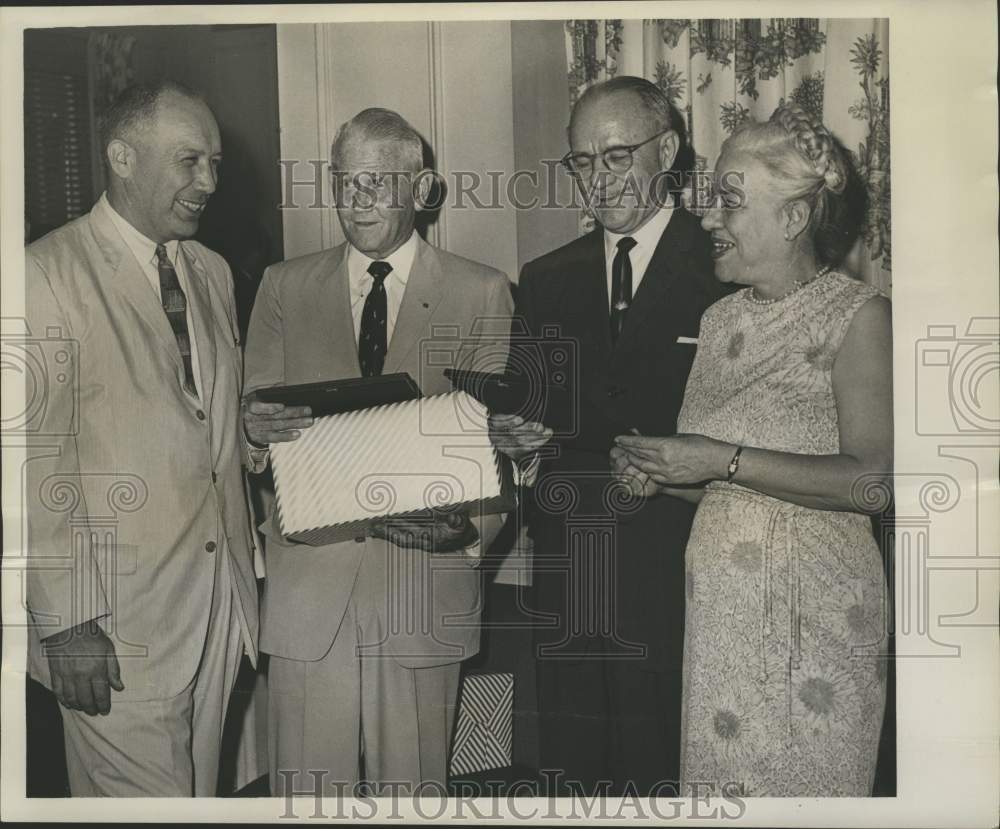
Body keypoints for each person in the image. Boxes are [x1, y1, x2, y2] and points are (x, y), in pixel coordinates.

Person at [612, 104, 892, 796]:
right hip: (719, 626)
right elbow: (721, 481)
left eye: (730, 202)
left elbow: (872, 483)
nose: (709, 218)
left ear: (793, 218)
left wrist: (718, 456)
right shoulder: (718, 319)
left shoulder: (860, 317)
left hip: (818, 623)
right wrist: (664, 473)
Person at [242, 108, 513, 795]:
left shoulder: (483, 291)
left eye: (377, 182)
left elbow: (500, 447)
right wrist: (253, 432)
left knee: (413, 795)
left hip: (423, 589)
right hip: (310, 594)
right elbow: (250, 434)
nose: (356, 200)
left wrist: (467, 534)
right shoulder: (282, 286)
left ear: (421, 191)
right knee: (306, 797)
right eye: (344, 182)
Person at [489, 76, 727, 795]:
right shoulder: (545, 276)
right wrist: (515, 439)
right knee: (572, 767)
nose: (600, 178)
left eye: (617, 154)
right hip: (567, 575)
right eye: (582, 161)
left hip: (681, 573)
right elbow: (523, 423)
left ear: (669, 149)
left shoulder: (725, 269)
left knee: (667, 769)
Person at [24, 80, 260, 796]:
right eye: (190, 161)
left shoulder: (212, 272)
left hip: (217, 610)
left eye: (215, 162)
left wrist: (258, 433)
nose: (209, 182)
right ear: (121, 157)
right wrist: (67, 621)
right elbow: (30, 459)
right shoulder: (43, 274)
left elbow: (203, 427)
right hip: (112, 627)